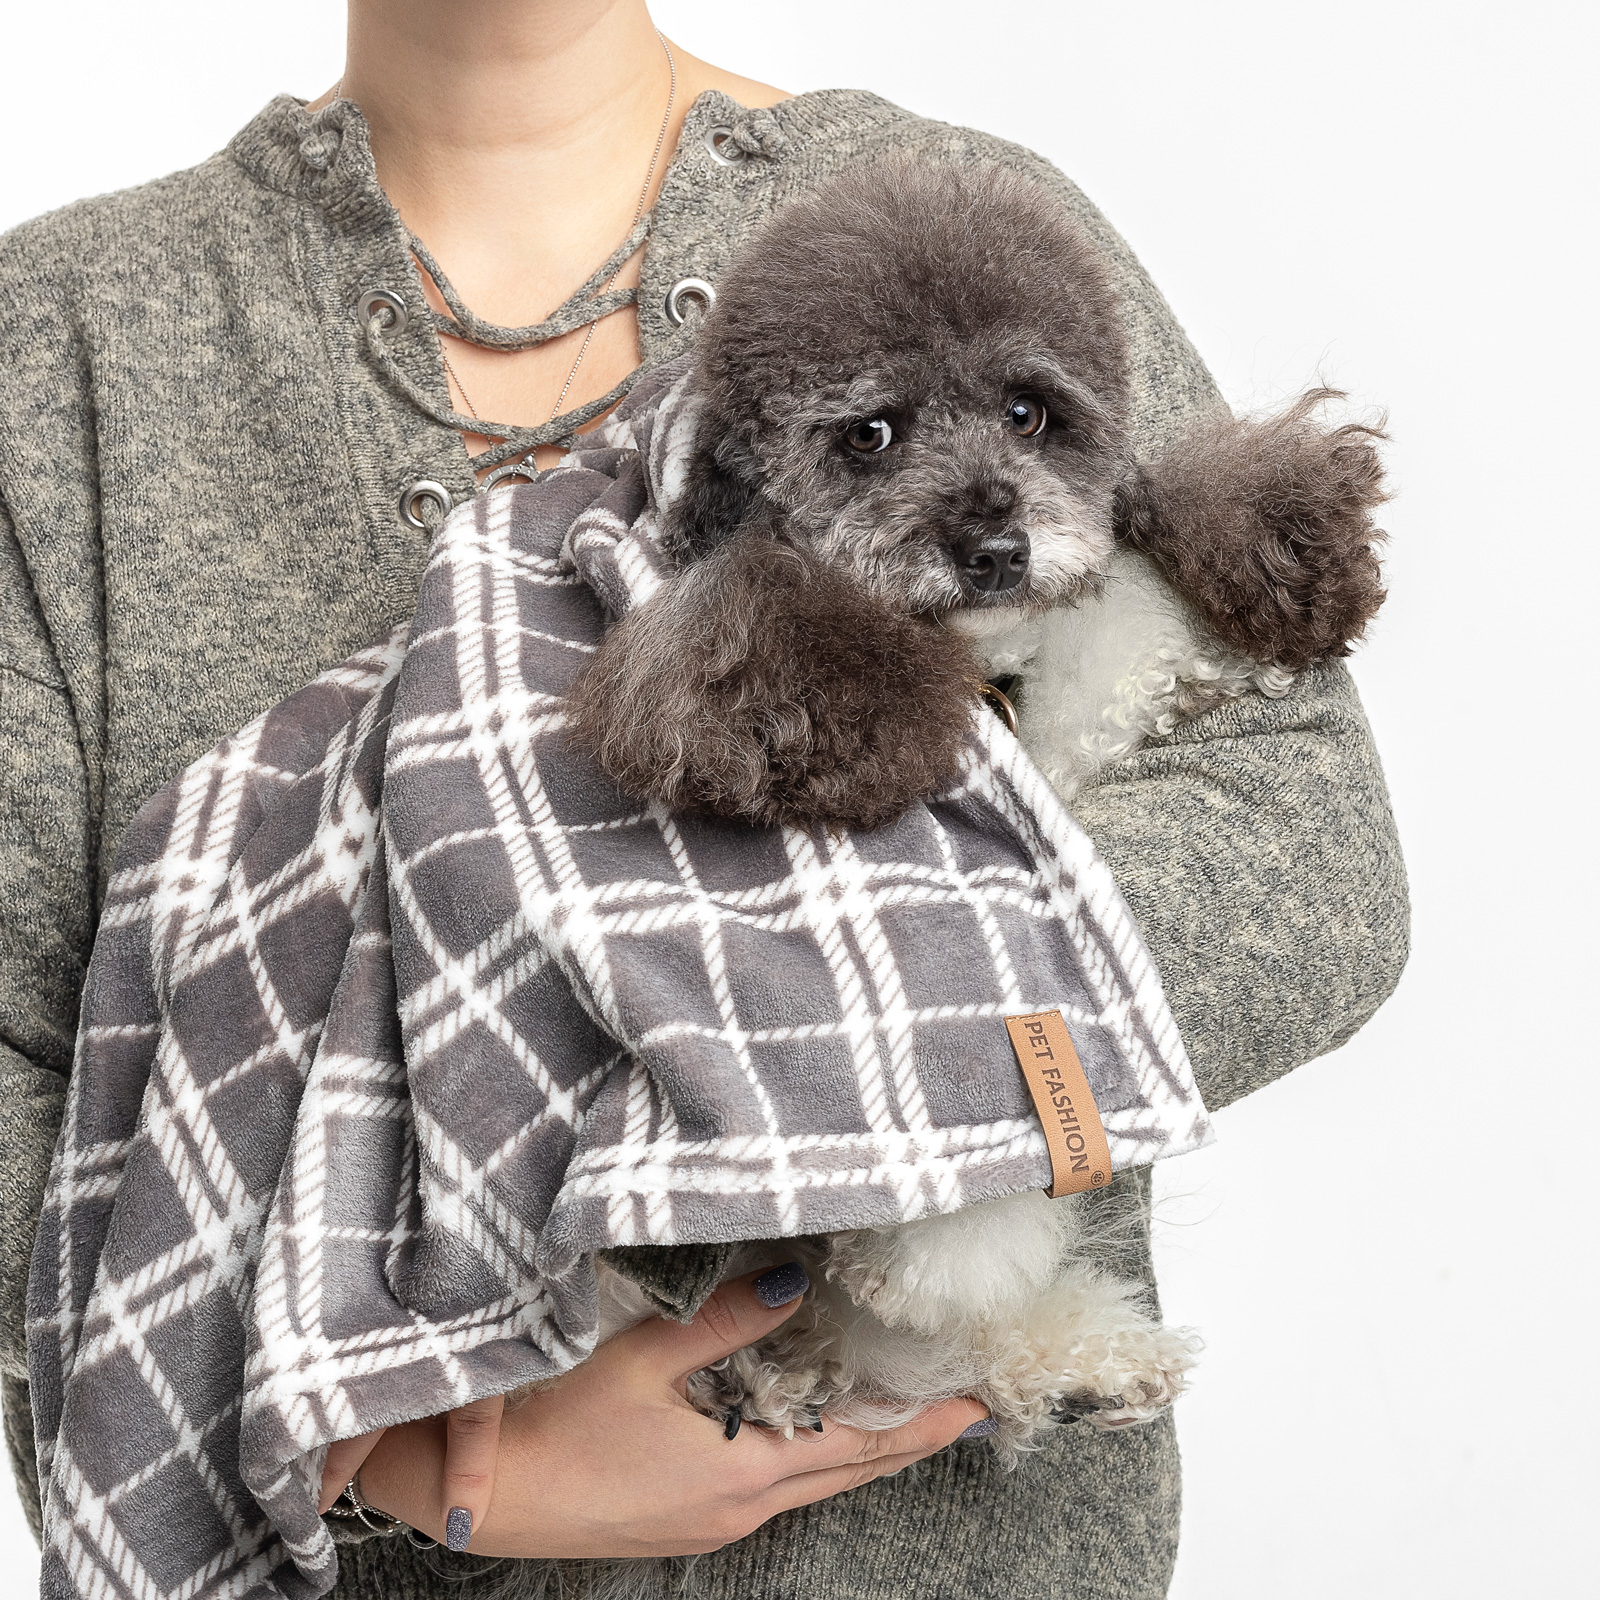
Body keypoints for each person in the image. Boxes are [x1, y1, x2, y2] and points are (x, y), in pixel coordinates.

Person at [0, 0, 1408, 1594]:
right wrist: (376, 1440)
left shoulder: (977, 217)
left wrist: (806, 1066)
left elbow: (1304, 842)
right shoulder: (64, 345)